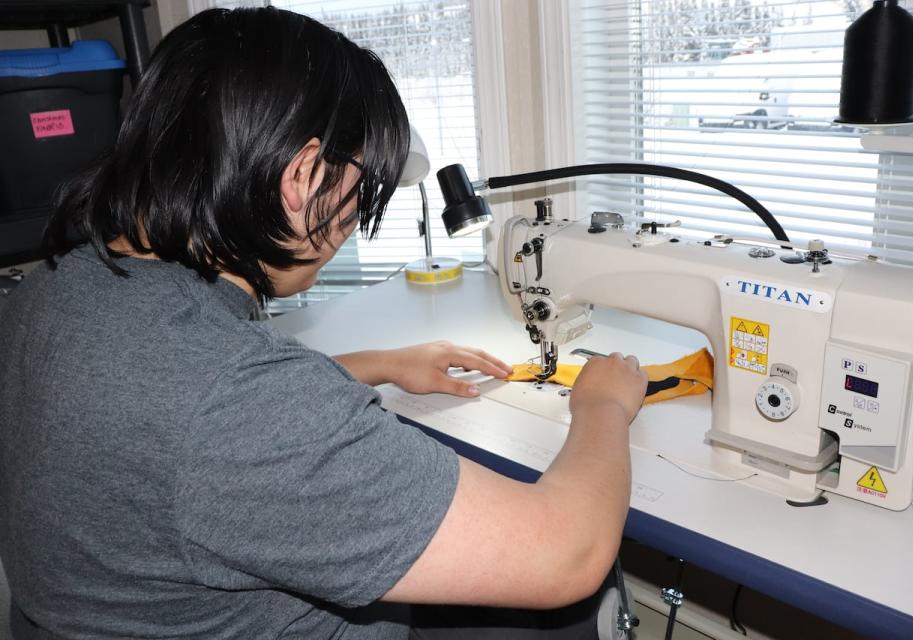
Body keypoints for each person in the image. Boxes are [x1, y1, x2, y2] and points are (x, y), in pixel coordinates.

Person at [0, 7, 649, 639]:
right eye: (362, 190)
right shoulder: (240, 405)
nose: (357, 216)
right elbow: (567, 554)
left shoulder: (56, 287)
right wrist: (603, 408)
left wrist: (381, 363)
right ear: (305, 176)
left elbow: (158, 416)